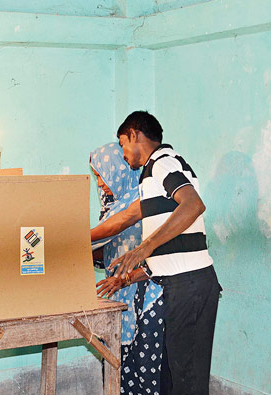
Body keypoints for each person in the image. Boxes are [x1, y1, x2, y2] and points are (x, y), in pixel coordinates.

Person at [91, 112, 222, 395]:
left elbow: (193, 205)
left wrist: (144, 247)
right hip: (180, 283)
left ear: (135, 135)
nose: (123, 153)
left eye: (123, 143)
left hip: (190, 285)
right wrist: (127, 278)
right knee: (173, 376)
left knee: (187, 379)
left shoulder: (164, 164)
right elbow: (137, 227)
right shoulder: (150, 177)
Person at [90, 142, 165, 395]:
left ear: (119, 171)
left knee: (146, 371)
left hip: (147, 299)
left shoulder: (144, 199)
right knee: (119, 370)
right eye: (97, 177)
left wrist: (67, 239)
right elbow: (107, 252)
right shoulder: (112, 207)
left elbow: (158, 252)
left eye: (102, 176)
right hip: (121, 298)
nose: (99, 184)